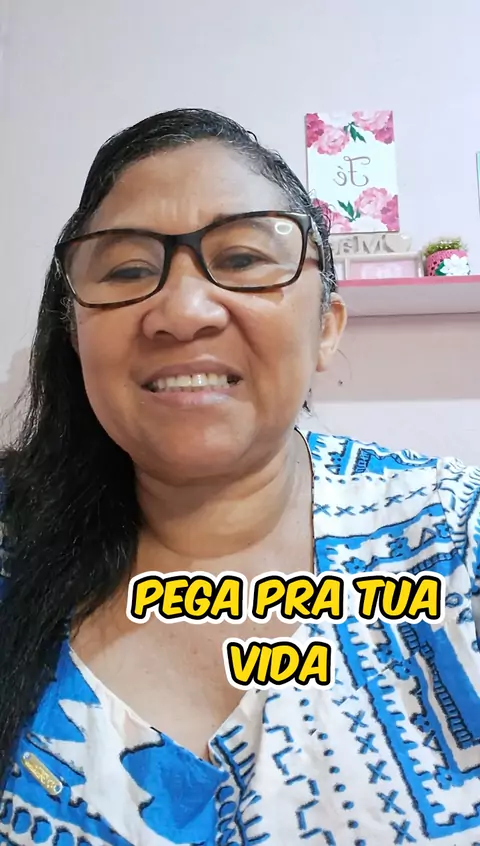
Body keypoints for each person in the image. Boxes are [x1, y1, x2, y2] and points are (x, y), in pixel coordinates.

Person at [0, 108, 479, 846]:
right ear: (75, 336)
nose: (182, 311)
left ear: (326, 327)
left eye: (244, 258)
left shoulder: (454, 536)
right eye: (128, 270)